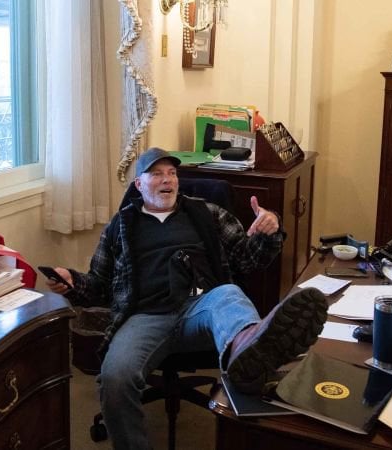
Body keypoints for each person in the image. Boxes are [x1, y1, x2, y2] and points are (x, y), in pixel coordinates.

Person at [46, 147, 327, 449]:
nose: (167, 179)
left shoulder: (206, 213)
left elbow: (247, 260)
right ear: (138, 185)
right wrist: (72, 283)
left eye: (172, 173)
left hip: (201, 308)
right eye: (156, 174)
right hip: (144, 317)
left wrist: (269, 232)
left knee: (229, 293)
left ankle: (248, 349)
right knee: (114, 379)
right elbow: (99, 286)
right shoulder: (120, 226)